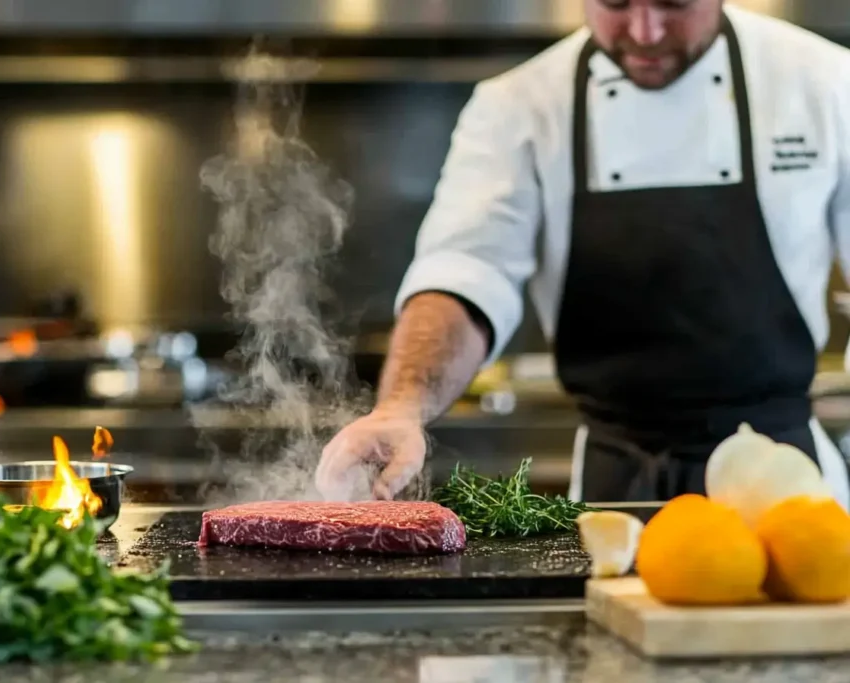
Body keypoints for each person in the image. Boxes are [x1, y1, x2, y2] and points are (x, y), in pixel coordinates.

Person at [314, 0, 850, 506]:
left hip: (790, 484)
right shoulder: (518, 106)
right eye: (615, 3)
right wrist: (402, 407)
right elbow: (468, 270)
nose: (645, 32)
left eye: (673, 4)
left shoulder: (826, 82)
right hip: (611, 485)